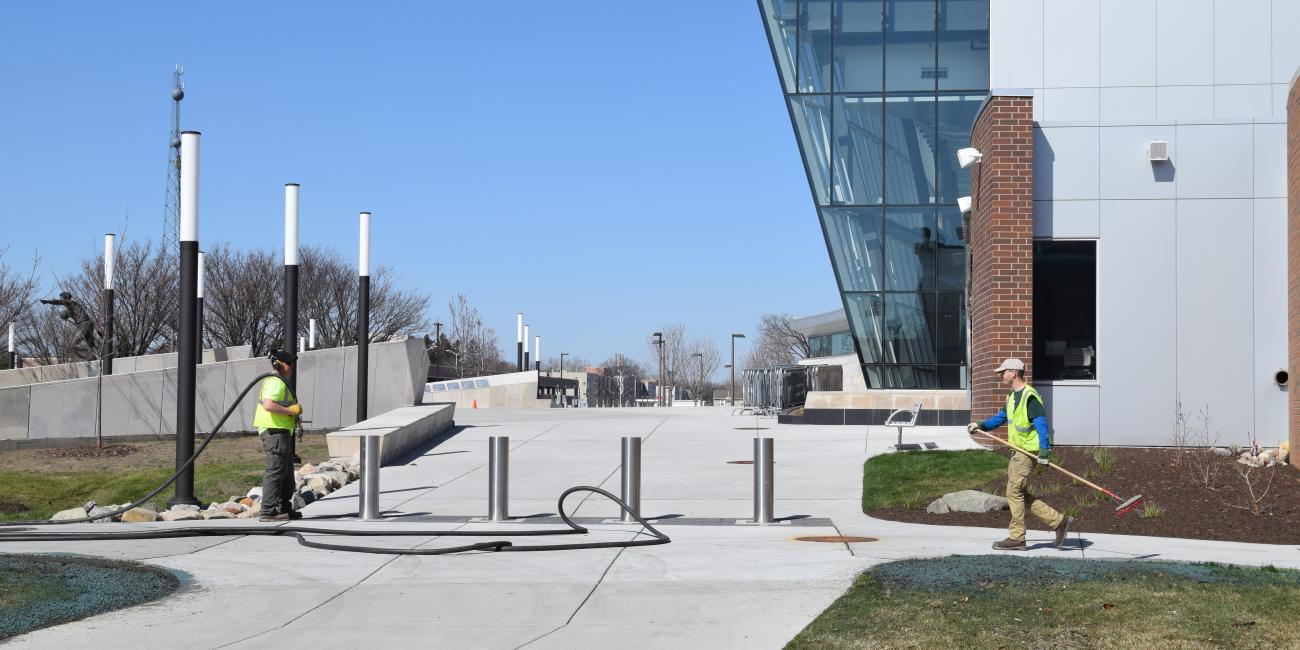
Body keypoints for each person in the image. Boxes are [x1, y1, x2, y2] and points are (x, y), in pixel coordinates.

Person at [967, 358, 1072, 550]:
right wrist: (980, 425)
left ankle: (1017, 537)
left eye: (1004, 371)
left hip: (1027, 452)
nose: (1001, 375)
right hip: (1018, 450)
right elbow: (999, 419)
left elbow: (1041, 424)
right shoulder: (1012, 397)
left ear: (1014, 373)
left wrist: (1044, 450)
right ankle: (1058, 522)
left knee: (1013, 491)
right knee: (1019, 493)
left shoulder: (1029, 396)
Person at [253, 349, 303, 522]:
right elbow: (268, 405)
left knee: (286, 473)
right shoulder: (276, 382)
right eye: (289, 363)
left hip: (280, 431)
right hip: (274, 432)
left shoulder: (278, 381)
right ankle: (267, 511)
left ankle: (283, 507)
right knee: (275, 472)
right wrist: (290, 410)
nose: (292, 366)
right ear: (279, 364)